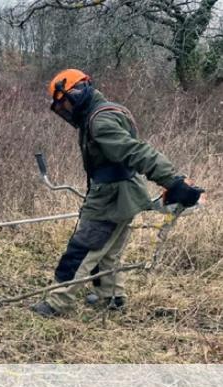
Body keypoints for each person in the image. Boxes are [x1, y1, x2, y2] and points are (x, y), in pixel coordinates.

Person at [31, 69, 203, 317]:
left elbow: (136, 152)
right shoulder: (106, 110)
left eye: (65, 102)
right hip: (124, 194)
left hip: (111, 197)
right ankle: (112, 297)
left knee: (82, 249)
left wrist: (174, 182)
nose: (65, 109)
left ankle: (57, 303)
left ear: (77, 92)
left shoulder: (100, 121)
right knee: (108, 252)